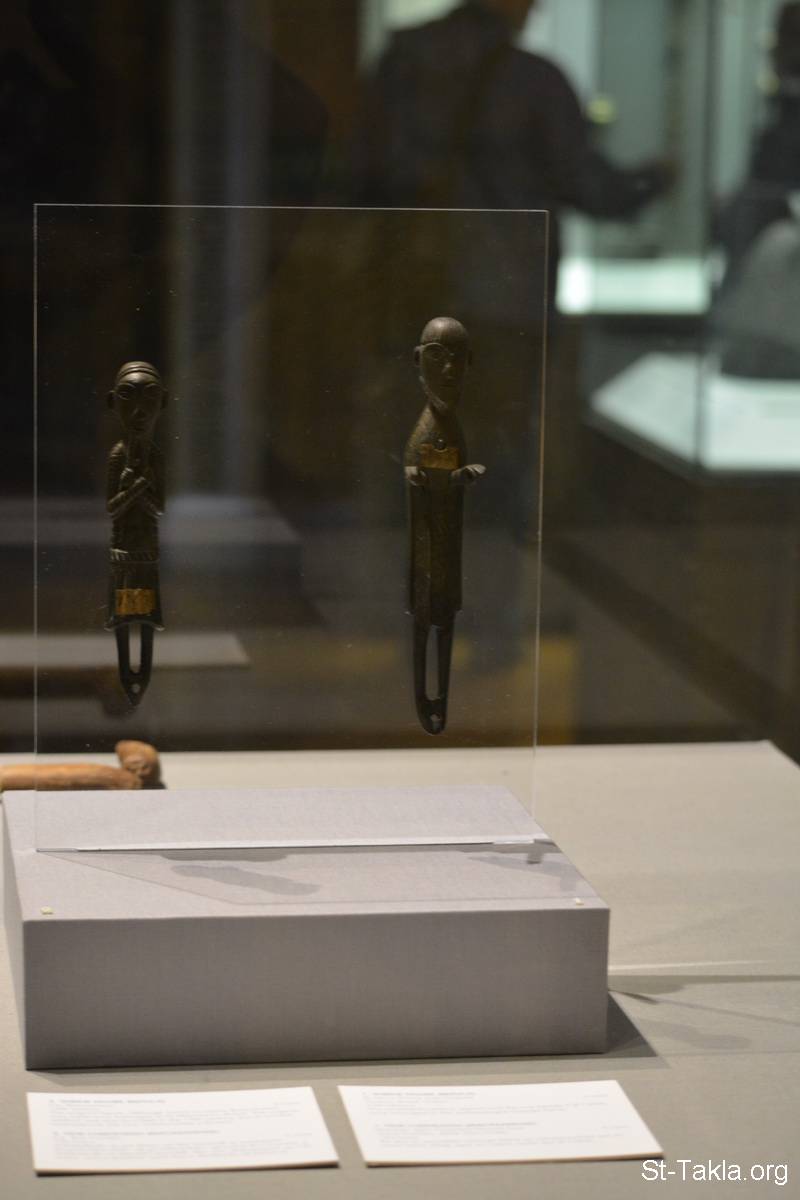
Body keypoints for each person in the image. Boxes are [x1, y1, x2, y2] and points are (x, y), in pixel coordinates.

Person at [353, 0, 670, 309]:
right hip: (505, 289)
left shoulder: (399, 66)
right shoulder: (533, 81)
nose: (536, 7)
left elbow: (368, 170)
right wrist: (652, 180)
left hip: (410, 279)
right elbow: (582, 180)